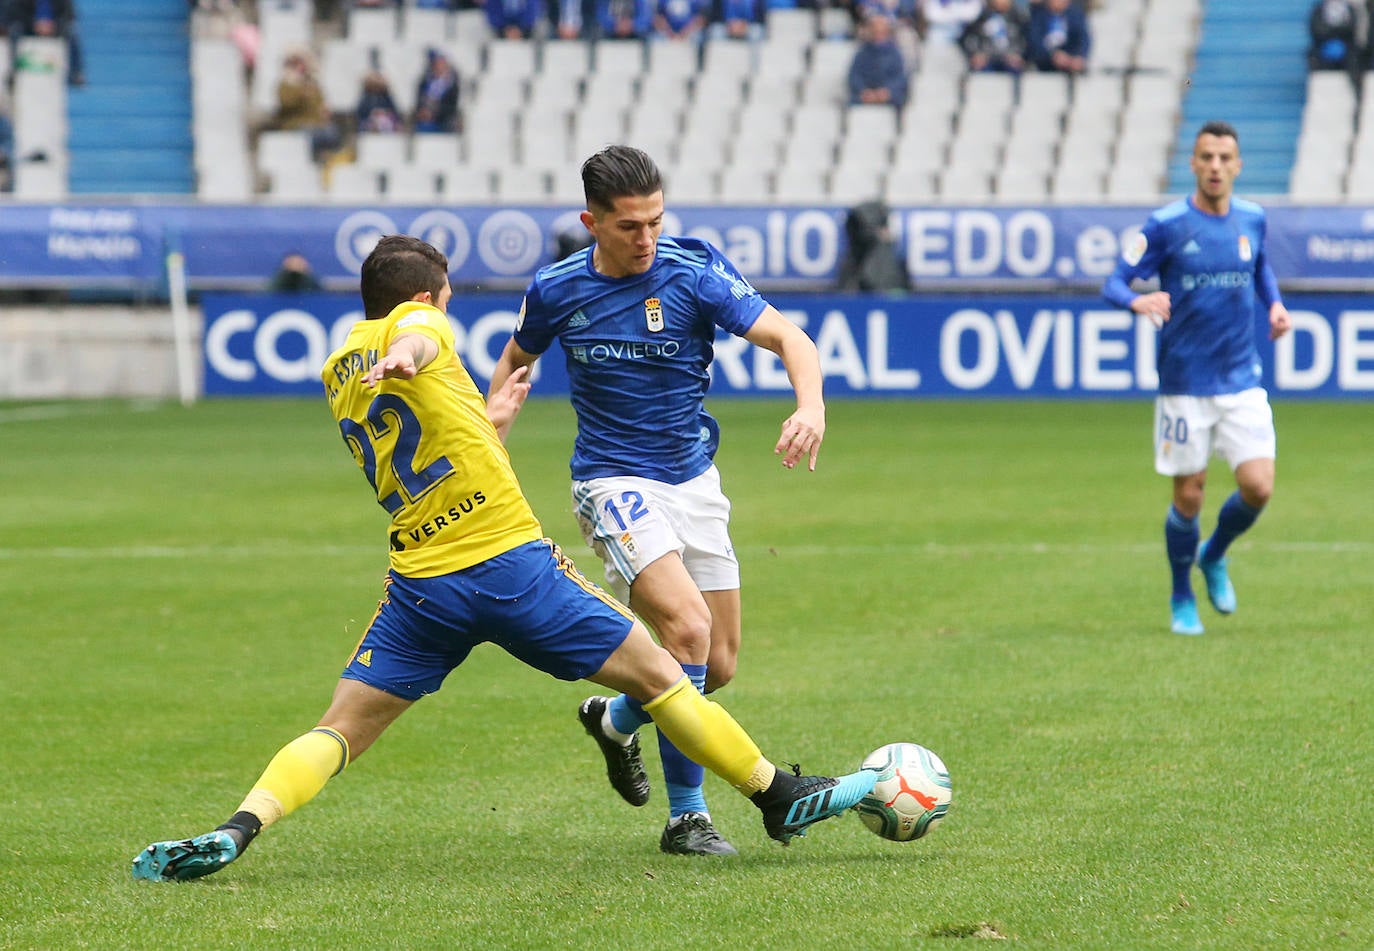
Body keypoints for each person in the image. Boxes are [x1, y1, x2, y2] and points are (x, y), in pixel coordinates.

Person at [130, 234, 877, 883]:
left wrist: (487, 423)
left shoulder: (337, 371)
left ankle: (239, 825)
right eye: (445, 300)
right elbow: (419, 338)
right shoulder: (416, 327)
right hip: (509, 566)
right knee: (667, 670)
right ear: (424, 296)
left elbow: (429, 442)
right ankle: (774, 792)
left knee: (342, 727)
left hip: (421, 585)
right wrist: (408, 347)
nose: (446, 313)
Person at [487, 146, 829, 857]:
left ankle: (614, 720)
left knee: (719, 663)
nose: (646, 239)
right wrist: (496, 422)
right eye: (629, 227)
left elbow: (789, 336)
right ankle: (687, 817)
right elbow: (518, 356)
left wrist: (811, 404)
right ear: (592, 222)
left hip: (693, 479)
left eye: (655, 221)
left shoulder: (692, 272)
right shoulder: (556, 289)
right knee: (688, 629)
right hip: (612, 481)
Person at [1101, 121, 1292, 637]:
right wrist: (1137, 299)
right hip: (1184, 383)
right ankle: (1181, 593)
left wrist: (1273, 305)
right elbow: (1113, 282)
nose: (1215, 166)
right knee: (1189, 497)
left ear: (1238, 165)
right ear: (1193, 164)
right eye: (1206, 157)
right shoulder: (1165, 224)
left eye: (1224, 158)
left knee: (1258, 486)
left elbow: (1259, 268)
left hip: (1241, 378)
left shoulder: (1253, 218)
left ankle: (1214, 554)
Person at [270, 47, 342, 162]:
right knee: (309, 135)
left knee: (331, 132)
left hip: (316, 123)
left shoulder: (313, 85)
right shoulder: (285, 84)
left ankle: (328, 159)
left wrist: (324, 112)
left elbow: (320, 103)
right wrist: (300, 93)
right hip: (295, 124)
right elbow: (285, 104)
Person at [4, 0, 84, 86]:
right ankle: (13, 72)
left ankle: (75, 73)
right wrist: (35, 24)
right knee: (15, 31)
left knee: (72, 32)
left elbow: (69, 15)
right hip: (29, 27)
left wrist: (53, 25)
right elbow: (15, 13)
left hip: (55, 27)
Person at [847, 12, 908, 109]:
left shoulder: (895, 54)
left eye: (881, 31)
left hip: (889, 97)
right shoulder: (862, 53)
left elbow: (900, 78)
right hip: (865, 96)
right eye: (875, 31)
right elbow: (854, 76)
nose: (878, 34)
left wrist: (886, 92)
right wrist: (864, 91)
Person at [958, 0, 1029, 74]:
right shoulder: (981, 17)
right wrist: (975, 54)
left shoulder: (1019, 17)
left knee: (1016, 70)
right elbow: (967, 38)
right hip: (987, 58)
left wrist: (1021, 55)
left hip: (1010, 59)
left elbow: (1028, 40)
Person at [1026, 0, 1089, 74]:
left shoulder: (1075, 15)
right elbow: (1034, 41)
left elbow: (1083, 39)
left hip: (1070, 61)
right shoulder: (1038, 15)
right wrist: (1052, 55)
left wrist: (1078, 56)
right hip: (1045, 64)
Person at [1306, 0, 1362, 77]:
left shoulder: (1349, 9)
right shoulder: (1319, 9)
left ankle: (1357, 87)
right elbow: (1316, 29)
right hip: (1323, 46)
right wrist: (1336, 31)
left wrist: (1335, 31)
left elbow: (1352, 29)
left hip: (1346, 48)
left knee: (1355, 60)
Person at [412, 48, 460, 134]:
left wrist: (434, 112)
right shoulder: (425, 82)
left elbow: (453, 107)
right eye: (436, 64)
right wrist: (422, 111)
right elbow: (419, 101)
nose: (438, 66)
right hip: (424, 119)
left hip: (443, 120)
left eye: (440, 64)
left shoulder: (452, 85)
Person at [354, 69, 402, 133]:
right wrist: (373, 115)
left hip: (385, 121)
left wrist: (384, 113)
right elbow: (360, 113)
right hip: (369, 122)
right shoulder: (366, 97)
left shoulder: (386, 97)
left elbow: (394, 112)